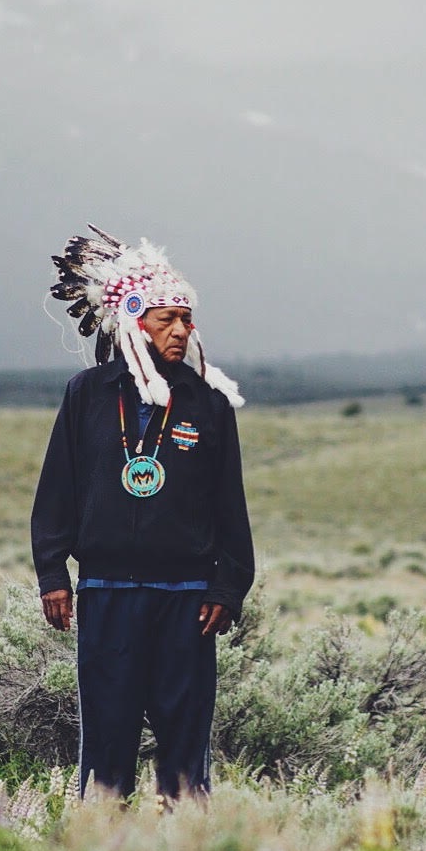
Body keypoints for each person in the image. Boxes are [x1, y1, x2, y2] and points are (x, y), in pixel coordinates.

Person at [32, 225, 254, 802]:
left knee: (184, 749)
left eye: (186, 319)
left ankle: (182, 850)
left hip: (187, 600)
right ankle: (103, 844)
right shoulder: (87, 394)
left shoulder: (209, 403)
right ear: (134, 321)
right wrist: (53, 574)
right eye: (166, 319)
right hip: (107, 596)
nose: (182, 330)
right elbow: (57, 489)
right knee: (108, 739)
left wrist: (228, 586)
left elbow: (230, 504)